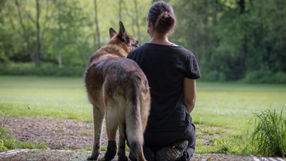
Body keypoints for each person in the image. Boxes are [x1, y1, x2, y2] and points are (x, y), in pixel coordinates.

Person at [127, 1, 201, 161]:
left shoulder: (134, 56)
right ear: (171, 24)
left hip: (143, 132)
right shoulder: (186, 57)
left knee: (133, 136)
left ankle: (144, 151)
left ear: (149, 23)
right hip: (175, 131)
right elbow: (190, 101)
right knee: (190, 140)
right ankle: (176, 153)